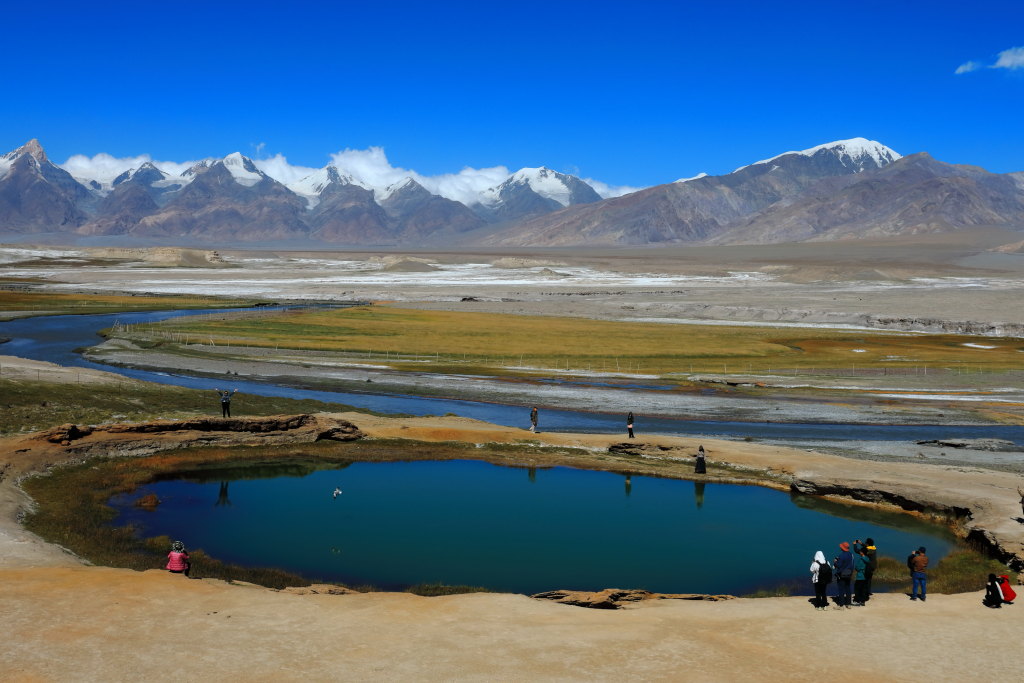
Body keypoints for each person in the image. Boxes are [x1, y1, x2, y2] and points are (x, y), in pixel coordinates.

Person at [833, 541, 854, 608]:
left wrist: (835, 562)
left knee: (841, 589)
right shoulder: (851, 554)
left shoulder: (841, 556)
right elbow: (852, 564)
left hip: (842, 574)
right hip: (849, 573)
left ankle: (841, 605)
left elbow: (838, 565)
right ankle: (848, 604)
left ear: (842, 548)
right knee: (848, 588)